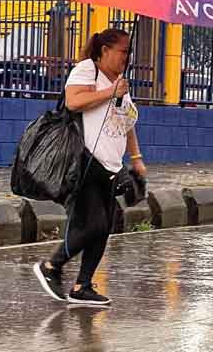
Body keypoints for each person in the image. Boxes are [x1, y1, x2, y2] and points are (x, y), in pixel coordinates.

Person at [33, 28, 147, 306]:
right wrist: (111, 92)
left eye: (129, 52)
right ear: (105, 50)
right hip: (84, 163)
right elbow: (73, 101)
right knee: (92, 224)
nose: (127, 57)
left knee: (104, 226)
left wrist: (136, 158)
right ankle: (51, 266)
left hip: (110, 167)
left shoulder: (120, 82)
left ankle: (82, 285)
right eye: (123, 51)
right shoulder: (87, 70)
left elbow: (127, 124)